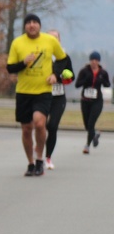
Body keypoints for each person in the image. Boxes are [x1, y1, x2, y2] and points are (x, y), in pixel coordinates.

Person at [6, 14, 68, 176]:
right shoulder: (17, 43)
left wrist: (55, 74)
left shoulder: (50, 41)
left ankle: (40, 158)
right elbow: (10, 68)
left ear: (39, 26)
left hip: (43, 91)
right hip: (23, 92)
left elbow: (63, 59)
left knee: (40, 124)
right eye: (28, 23)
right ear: (25, 26)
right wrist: (23, 62)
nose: (32, 25)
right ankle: (31, 163)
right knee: (26, 129)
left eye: (35, 23)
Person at [44, 30, 74, 170]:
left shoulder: (65, 57)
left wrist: (64, 78)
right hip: (43, 95)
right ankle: (39, 152)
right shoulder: (43, 56)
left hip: (59, 97)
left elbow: (71, 77)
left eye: (55, 38)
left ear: (59, 41)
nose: (53, 40)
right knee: (40, 126)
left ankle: (48, 157)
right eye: (50, 38)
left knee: (53, 126)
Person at [75, 51, 110, 154]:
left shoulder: (103, 72)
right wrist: (86, 80)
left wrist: (103, 81)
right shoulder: (84, 71)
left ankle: (87, 145)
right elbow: (77, 85)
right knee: (87, 125)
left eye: (96, 60)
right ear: (89, 61)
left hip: (97, 101)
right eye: (92, 60)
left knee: (91, 123)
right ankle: (95, 134)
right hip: (85, 101)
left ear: (99, 61)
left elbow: (107, 84)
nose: (94, 62)